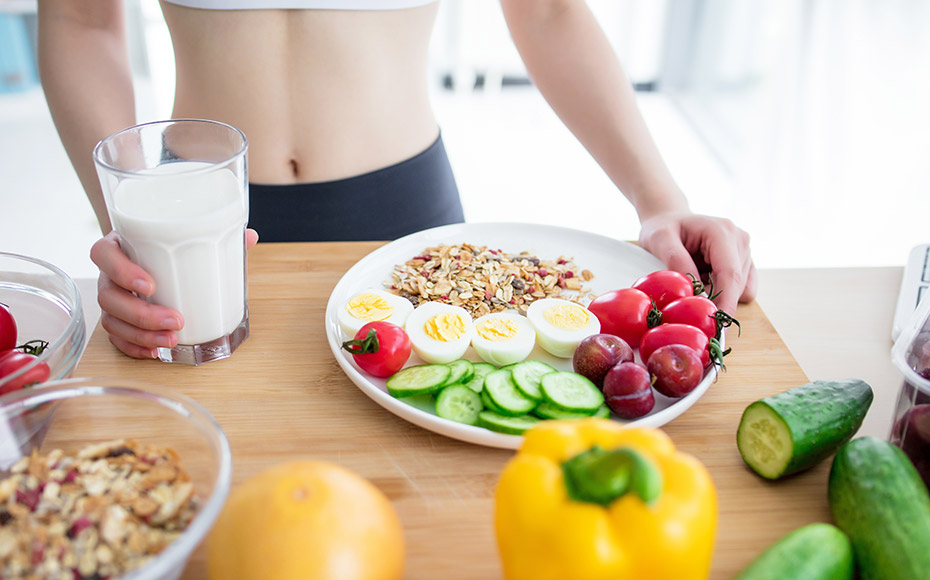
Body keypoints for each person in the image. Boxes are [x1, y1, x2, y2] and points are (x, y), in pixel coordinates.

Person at [37, 0, 756, 360]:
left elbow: (546, 10)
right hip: (199, 223)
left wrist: (661, 201)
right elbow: (78, 14)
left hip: (406, 218)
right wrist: (128, 215)